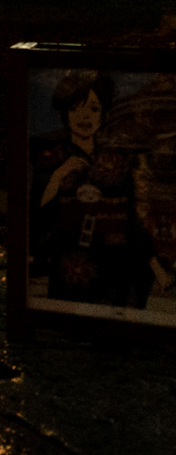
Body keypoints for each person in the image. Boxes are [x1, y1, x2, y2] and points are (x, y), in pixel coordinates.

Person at [30, 70, 146, 307]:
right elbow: (36, 210)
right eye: (75, 108)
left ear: (103, 114)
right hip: (70, 260)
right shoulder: (52, 155)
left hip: (112, 257)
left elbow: (130, 211)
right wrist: (59, 175)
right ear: (65, 114)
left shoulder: (116, 156)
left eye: (93, 108)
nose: (85, 116)